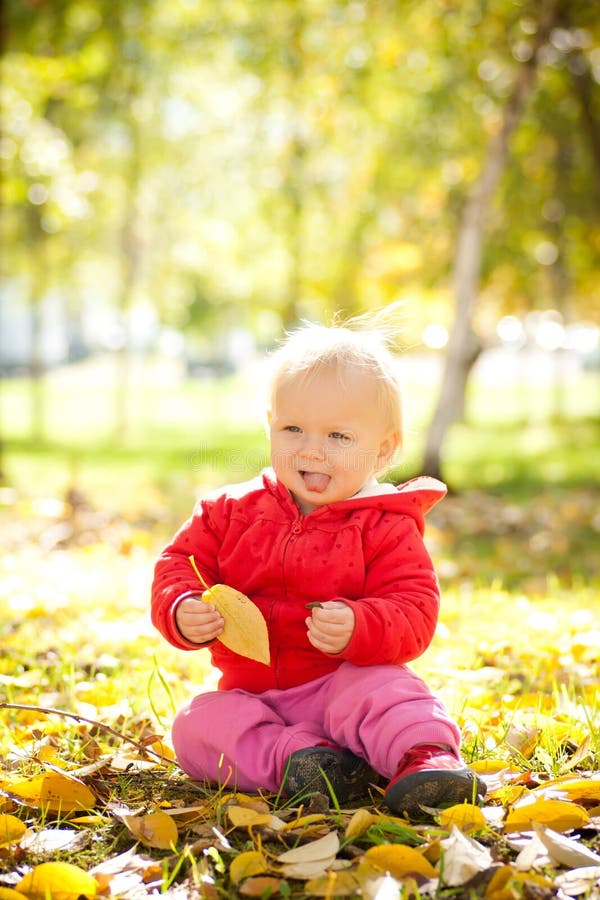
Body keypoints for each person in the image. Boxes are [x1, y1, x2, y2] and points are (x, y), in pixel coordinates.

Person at [151, 313, 485, 817]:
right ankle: (304, 763)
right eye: (293, 428)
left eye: (339, 437)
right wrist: (181, 608)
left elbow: (414, 609)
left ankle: (425, 759)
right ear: (270, 426)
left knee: (388, 693)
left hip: (343, 681)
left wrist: (361, 624)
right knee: (197, 726)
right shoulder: (227, 512)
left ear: (384, 450)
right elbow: (179, 564)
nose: (312, 449)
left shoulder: (385, 525)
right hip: (254, 697)